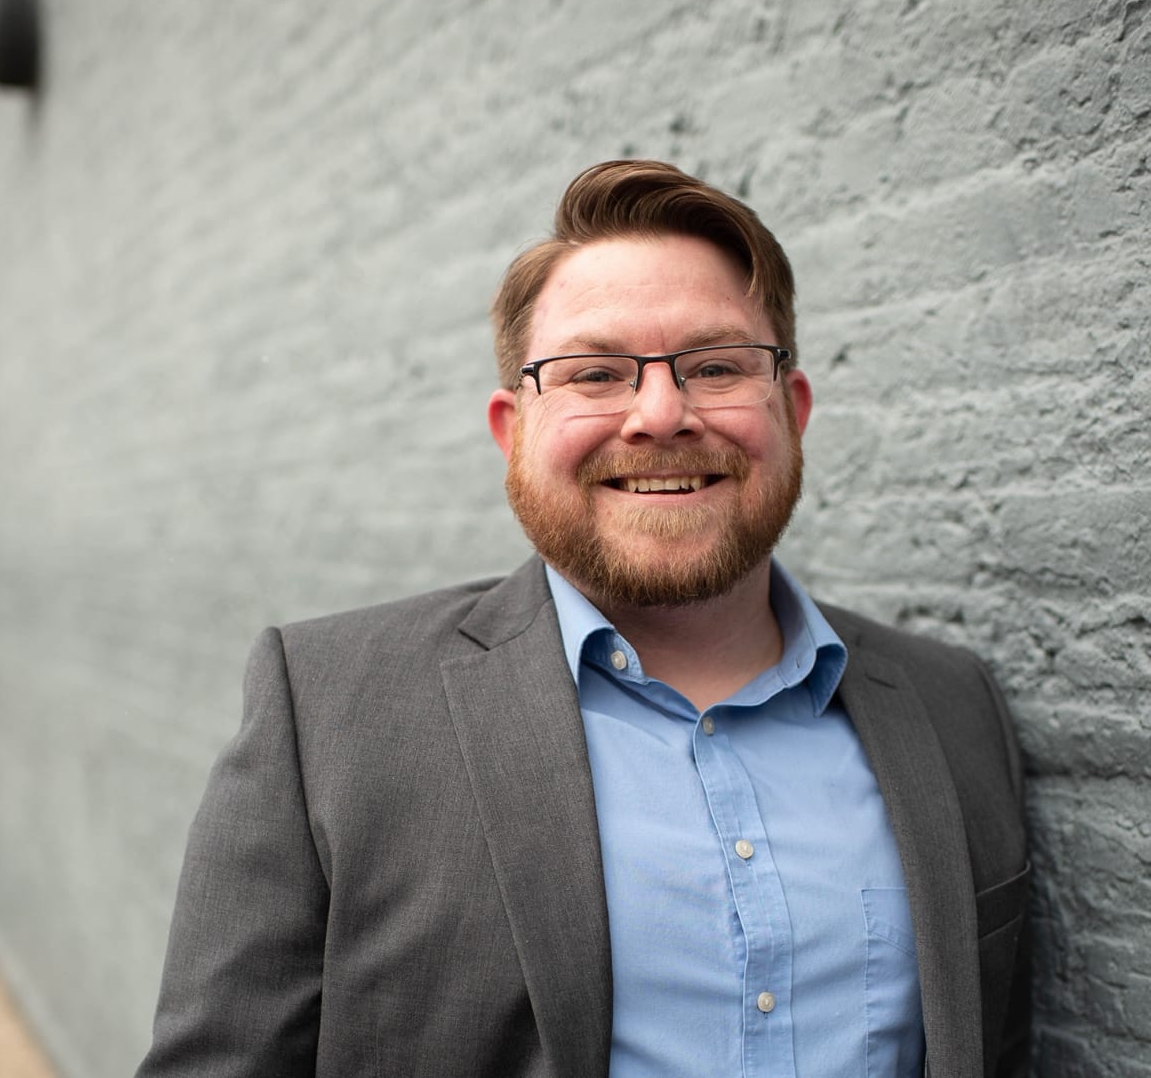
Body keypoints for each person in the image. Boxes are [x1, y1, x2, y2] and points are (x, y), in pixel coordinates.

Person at [136, 160, 1029, 1078]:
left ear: (792, 414)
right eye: (595, 373)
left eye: (717, 366)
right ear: (512, 433)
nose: (660, 414)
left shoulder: (950, 706)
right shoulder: (326, 713)